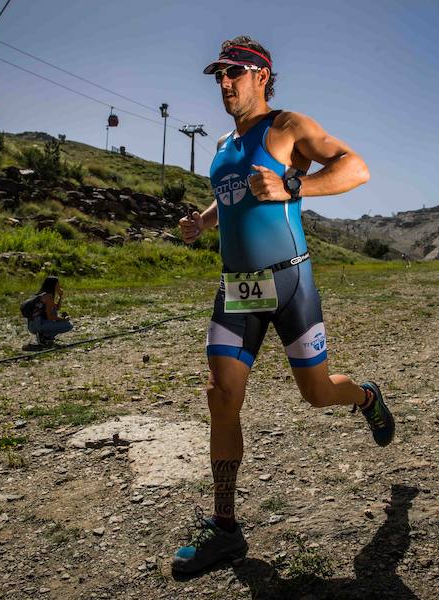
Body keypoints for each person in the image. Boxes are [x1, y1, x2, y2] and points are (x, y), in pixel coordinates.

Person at [172, 35, 393, 575]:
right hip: (237, 289)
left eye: (234, 73)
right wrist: (202, 222)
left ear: (261, 76)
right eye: (218, 76)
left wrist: (295, 185)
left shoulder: (288, 126)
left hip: (290, 284)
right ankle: (225, 530)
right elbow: (235, 196)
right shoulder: (224, 145)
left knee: (317, 394)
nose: (224, 83)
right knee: (221, 395)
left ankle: (365, 397)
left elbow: (355, 167)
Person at [25, 276, 72, 346]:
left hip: (32, 325)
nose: (59, 286)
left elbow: (56, 308)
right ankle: (46, 336)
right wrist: (63, 319)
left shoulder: (42, 294)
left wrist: (60, 296)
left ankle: (44, 337)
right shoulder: (48, 297)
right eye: (58, 284)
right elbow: (50, 317)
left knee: (55, 313)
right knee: (68, 325)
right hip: (37, 325)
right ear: (53, 285)